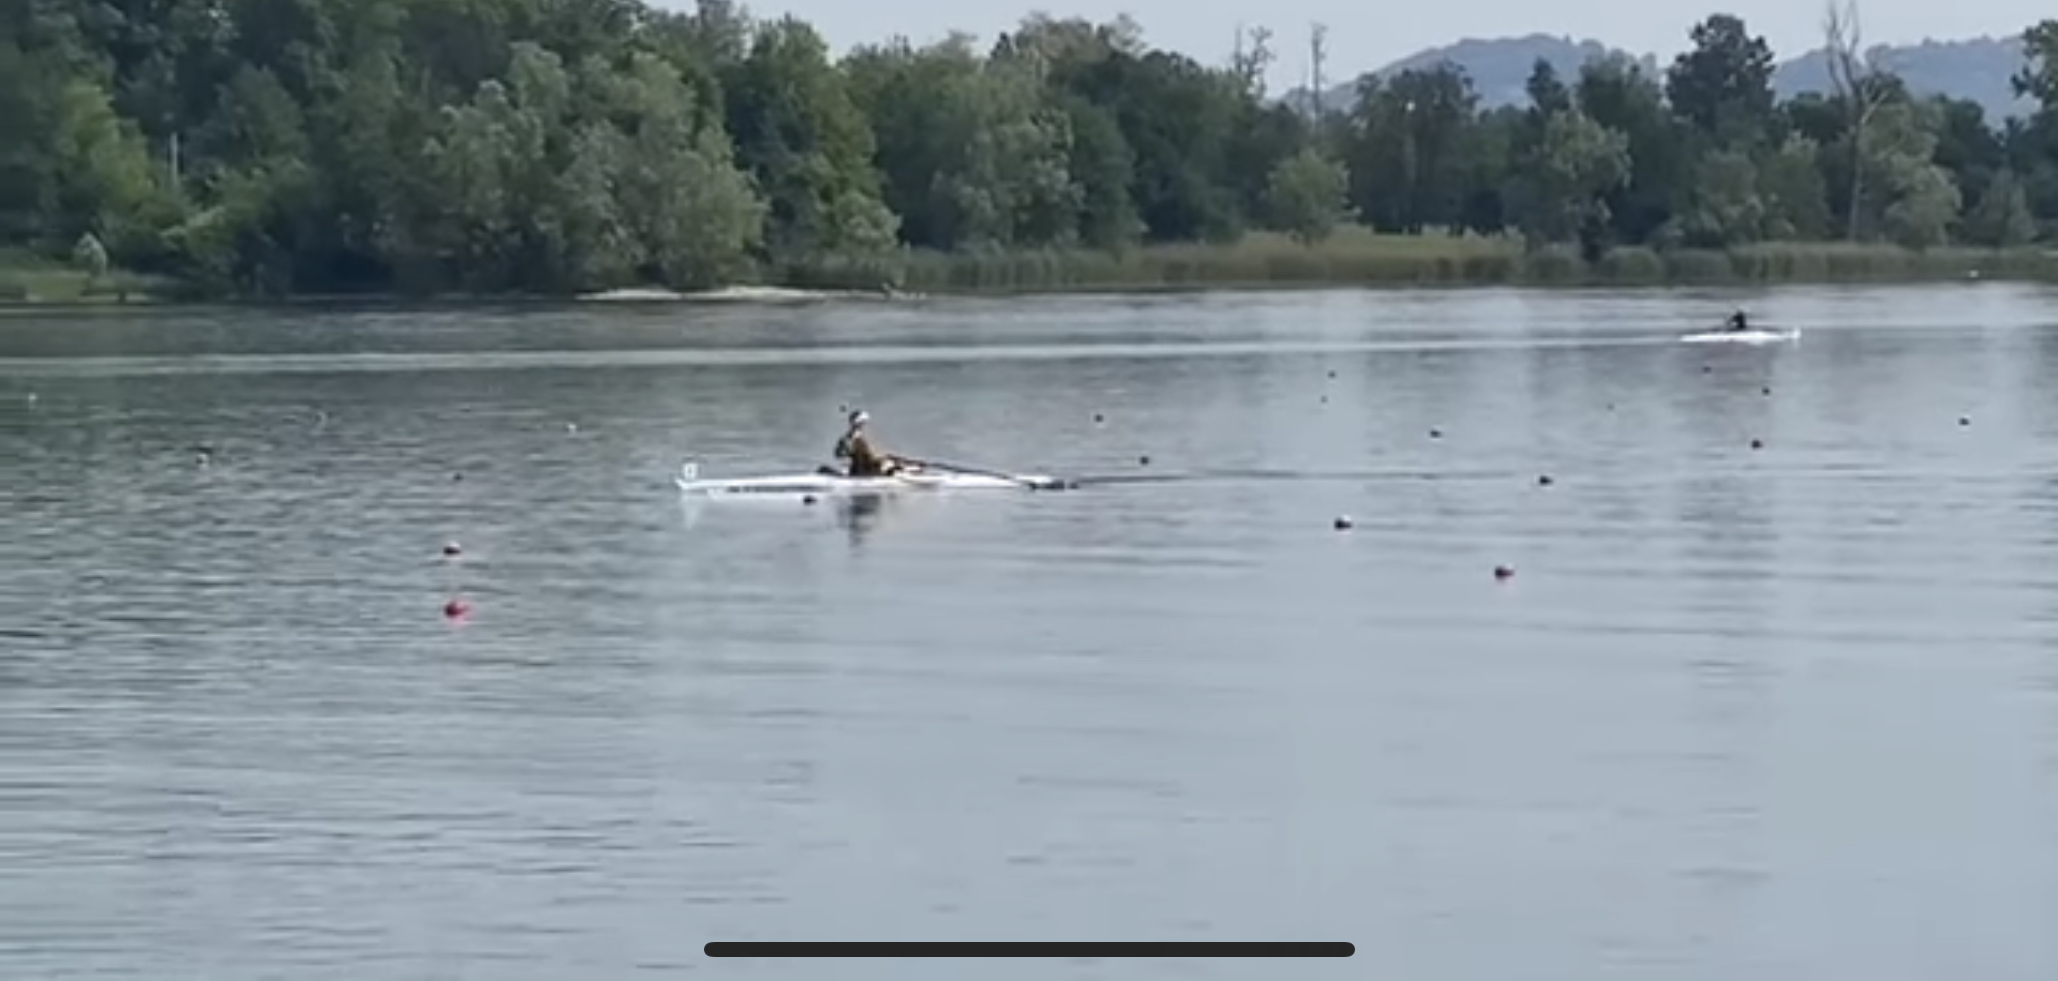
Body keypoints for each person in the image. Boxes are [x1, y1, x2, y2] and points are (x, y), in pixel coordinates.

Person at [833, 410, 910, 477]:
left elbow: (840, 454)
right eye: (863, 423)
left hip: (862, 468)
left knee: (891, 459)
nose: (864, 425)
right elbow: (866, 457)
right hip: (864, 470)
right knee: (891, 462)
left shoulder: (851, 437)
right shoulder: (854, 438)